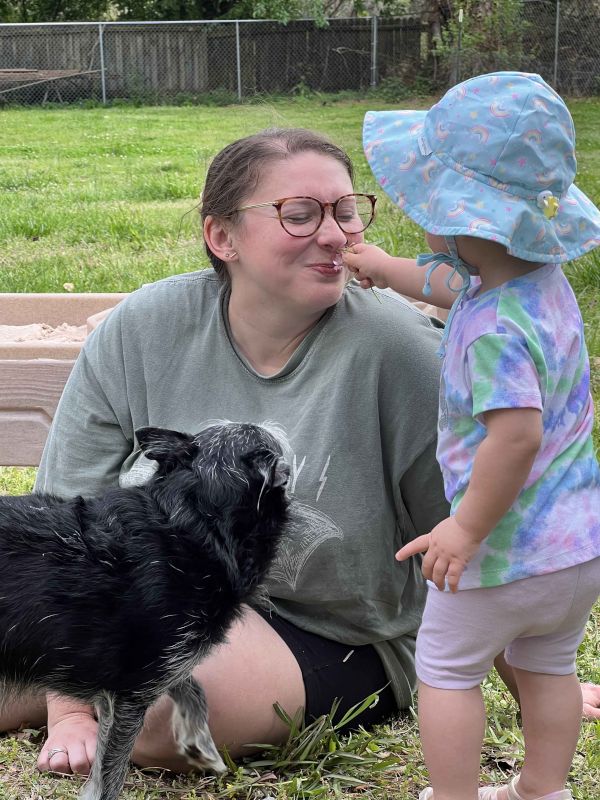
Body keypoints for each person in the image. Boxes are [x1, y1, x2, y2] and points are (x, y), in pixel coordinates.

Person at [0, 125, 597, 784]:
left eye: (346, 211)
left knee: (166, 708)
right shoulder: (137, 331)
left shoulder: (402, 353)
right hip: (149, 591)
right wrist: (67, 711)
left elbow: (482, 527)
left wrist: (542, 679)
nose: (338, 234)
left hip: (331, 632)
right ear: (221, 236)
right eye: (300, 214)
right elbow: (68, 518)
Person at [342, 72, 600, 800]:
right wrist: (382, 269)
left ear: (465, 218)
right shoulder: (536, 283)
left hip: (502, 550)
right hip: (574, 549)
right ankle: (542, 791)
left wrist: (464, 528)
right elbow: (450, 285)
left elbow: (514, 438)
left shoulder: (492, 331)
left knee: (448, 670)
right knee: (550, 665)